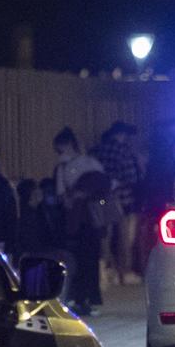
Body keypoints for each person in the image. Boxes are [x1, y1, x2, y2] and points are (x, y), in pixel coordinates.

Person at [52, 127, 109, 314]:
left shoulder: (68, 167)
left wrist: (75, 196)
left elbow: (62, 195)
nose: (61, 153)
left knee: (83, 260)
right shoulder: (89, 163)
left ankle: (81, 298)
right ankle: (84, 299)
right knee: (86, 260)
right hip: (86, 220)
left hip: (80, 220)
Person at [93, 120, 144, 284]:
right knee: (124, 237)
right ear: (123, 135)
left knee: (105, 237)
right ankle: (124, 271)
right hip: (122, 199)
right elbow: (131, 177)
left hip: (101, 197)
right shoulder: (122, 150)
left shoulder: (99, 150)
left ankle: (107, 270)